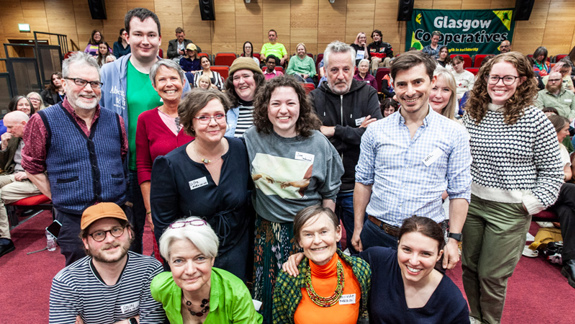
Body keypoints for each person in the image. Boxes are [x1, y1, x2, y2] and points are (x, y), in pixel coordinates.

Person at [462, 52, 563, 324]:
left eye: (508, 77)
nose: (500, 83)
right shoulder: (473, 114)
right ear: (485, 79)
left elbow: (553, 172)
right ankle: (473, 316)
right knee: (469, 268)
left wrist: (531, 204)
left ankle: (490, 321)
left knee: (492, 275)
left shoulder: (535, 120)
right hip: (471, 205)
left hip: (510, 212)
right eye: (494, 77)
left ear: (521, 81)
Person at [352, 52, 472, 274]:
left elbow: (460, 192)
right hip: (378, 233)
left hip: (426, 240)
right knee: (372, 302)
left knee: (420, 306)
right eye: (402, 84)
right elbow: (363, 182)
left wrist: (454, 240)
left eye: (418, 82)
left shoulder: (455, 133)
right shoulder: (376, 131)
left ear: (432, 81)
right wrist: (358, 227)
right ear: (393, 86)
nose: (410, 91)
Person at [245, 76, 344, 319]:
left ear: (301, 106)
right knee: (268, 295)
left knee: (306, 298)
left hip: (308, 234)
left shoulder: (318, 143)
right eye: (276, 103)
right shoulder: (252, 138)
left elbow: (330, 192)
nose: (283, 110)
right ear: (265, 107)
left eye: (290, 103)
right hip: (266, 232)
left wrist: (324, 234)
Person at [100, 7, 192, 255]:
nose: (145, 40)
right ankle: (135, 283)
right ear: (126, 37)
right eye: (138, 34)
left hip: (172, 169)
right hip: (128, 168)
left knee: (177, 230)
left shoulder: (173, 74)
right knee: (132, 230)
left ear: (160, 39)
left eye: (151, 34)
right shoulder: (109, 73)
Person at [23, 52, 128, 266]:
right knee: (80, 275)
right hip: (73, 219)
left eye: (95, 83)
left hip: (114, 213)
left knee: (119, 269)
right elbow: (31, 167)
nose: (89, 89)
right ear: (63, 83)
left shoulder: (115, 120)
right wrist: (59, 195)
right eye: (80, 81)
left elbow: (122, 155)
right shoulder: (43, 120)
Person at [283, 215, 470, 324]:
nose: (413, 261)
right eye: (406, 250)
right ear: (397, 245)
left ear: (439, 255)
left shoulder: (452, 301)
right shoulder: (379, 260)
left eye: (425, 254)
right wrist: (307, 255)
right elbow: (340, 263)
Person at [151, 89, 253, 281]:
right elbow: (164, 226)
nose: (213, 123)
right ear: (190, 122)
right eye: (203, 117)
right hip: (195, 260)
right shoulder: (171, 165)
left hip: (238, 252)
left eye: (219, 115)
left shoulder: (241, 149)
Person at [309, 41, 381, 255]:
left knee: (359, 246)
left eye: (345, 69)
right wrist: (355, 133)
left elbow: (372, 136)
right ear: (324, 71)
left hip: (356, 187)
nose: (340, 76)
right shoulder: (313, 97)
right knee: (321, 247)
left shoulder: (367, 93)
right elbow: (312, 138)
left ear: (354, 69)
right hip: (321, 188)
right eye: (334, 70)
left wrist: (332, 131)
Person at [49, 203, 166, 323]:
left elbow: (153, 321)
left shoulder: (150, 269)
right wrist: (133, 321)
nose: (110, 239)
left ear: (129, 232)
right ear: (86, 242)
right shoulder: (66, 282)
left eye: (116, 230)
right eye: (98, 234)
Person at [151, 216, 262, 323]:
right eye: (179, 261)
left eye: (200, 258)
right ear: (169, 263)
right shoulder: (160, 288)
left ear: (212, 259)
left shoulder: (236, 294)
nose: (190, 271)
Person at [272, 205, 371, 324]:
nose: (317, 241)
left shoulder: (360, 271)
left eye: (323, 232)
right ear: (300, 241)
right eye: (308, 234)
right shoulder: (288, 278)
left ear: (338, 233)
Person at [136, 59, 194, 250]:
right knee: (167, 256)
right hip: (162, 204)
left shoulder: (197, 116)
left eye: (173, 78)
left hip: (197, 201)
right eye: (162, 80)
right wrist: (150, 210)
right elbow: (144, 166)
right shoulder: (145, 119)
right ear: (154, 85)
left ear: (183, 82)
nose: (169, 84)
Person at [0, 111, 41, 258]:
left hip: (36, 179)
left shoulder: (41, 136)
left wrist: (29, 173)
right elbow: (4, 165)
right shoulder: (13, 138)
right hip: (13, 175)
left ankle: (4, 240)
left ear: (24, 124)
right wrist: (3, 147)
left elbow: (53, 163)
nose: (8, 131)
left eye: (10, 127)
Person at [546, 114, 575, 289]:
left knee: (567, 211)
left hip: (559, 193)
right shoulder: (540, 145)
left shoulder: (562, 148)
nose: (568, 132)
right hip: (541, 191)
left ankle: (570, 261)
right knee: (572, 190)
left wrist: (557, 175)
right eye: (565, 129)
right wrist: (557, 175)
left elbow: (568, 174)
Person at [224, 57, 266, 137]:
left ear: (257, 79)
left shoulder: (269, 107)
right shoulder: (224, 108)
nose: (241, 82)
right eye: (236, 78)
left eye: (246, 76)